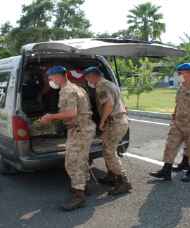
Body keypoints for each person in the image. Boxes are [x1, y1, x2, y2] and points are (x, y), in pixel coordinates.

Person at [39, 66, 96, 211]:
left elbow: (71, 113)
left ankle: (78, 196)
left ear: (59, 76)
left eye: (51, 77)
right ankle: (84, 186)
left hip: (79, 130)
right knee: (81, 160)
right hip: (83, 128)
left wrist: (50, 116)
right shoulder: (78, 87)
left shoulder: (67, 90)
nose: (50, 80)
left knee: (72, 163)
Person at [149, 63, 190, 182]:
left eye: (183, 72)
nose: (181, 74)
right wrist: (174, 115)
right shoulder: (181, 87)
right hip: (178, 123)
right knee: (170, 145)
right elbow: (178, 103)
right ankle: (166, 170)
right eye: (180, 72)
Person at [83, 66, 132, 195]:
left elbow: (109, 104)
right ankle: (111, 175)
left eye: (88, 78)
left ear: (93, 76)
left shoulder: (101, 86)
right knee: (108, 149)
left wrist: (102, 121)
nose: (88, 81)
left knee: (109, 152)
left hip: (114, 122)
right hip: (120, 120)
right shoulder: (111, 84)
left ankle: (123, 182)